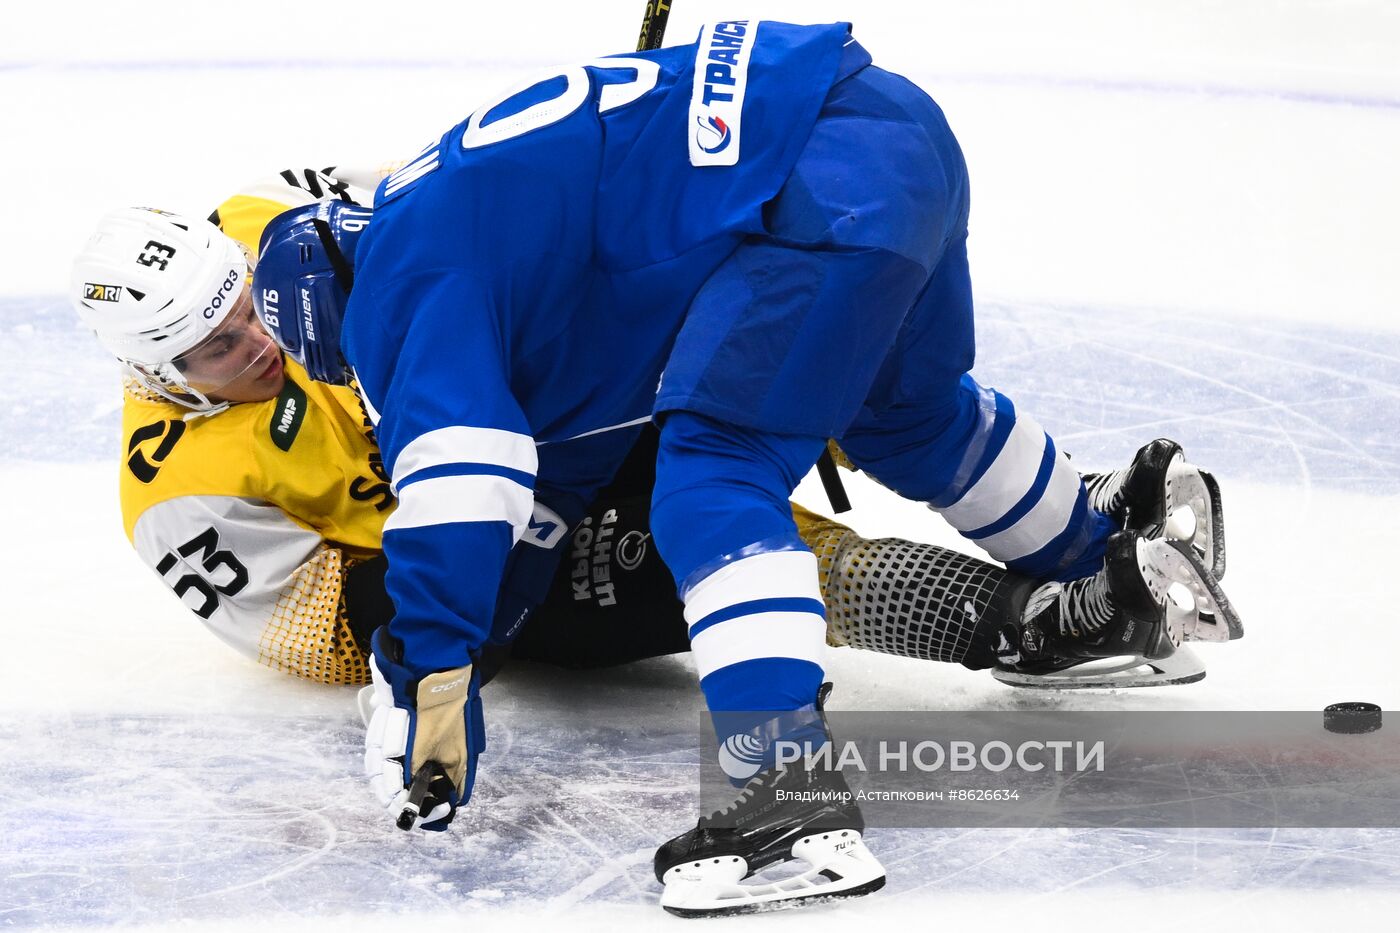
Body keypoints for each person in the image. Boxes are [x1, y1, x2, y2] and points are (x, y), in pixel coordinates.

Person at [249, 20, 1237, 916]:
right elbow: (544, 496)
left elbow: (466, 486)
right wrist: (471, 661)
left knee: (714, 472)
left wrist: (420, 670)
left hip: (810, 180)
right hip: (891, 128)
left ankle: (786, 792)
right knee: (905, 415)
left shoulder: (395, 279)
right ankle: (1109, 561)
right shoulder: (470, 226)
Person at [70, 183, 1228, 697]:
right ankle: (1022, 624)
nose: (259, 340)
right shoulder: (174, 495)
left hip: (530, 412)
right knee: (698, 542)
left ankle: (1058, 522)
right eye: (218, 350)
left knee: (759, 335)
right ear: (156, 375)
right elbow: (323, 637)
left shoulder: (266, 222)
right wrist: (464, 539)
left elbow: (443, 226)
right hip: (492, 570)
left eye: (247, 306)